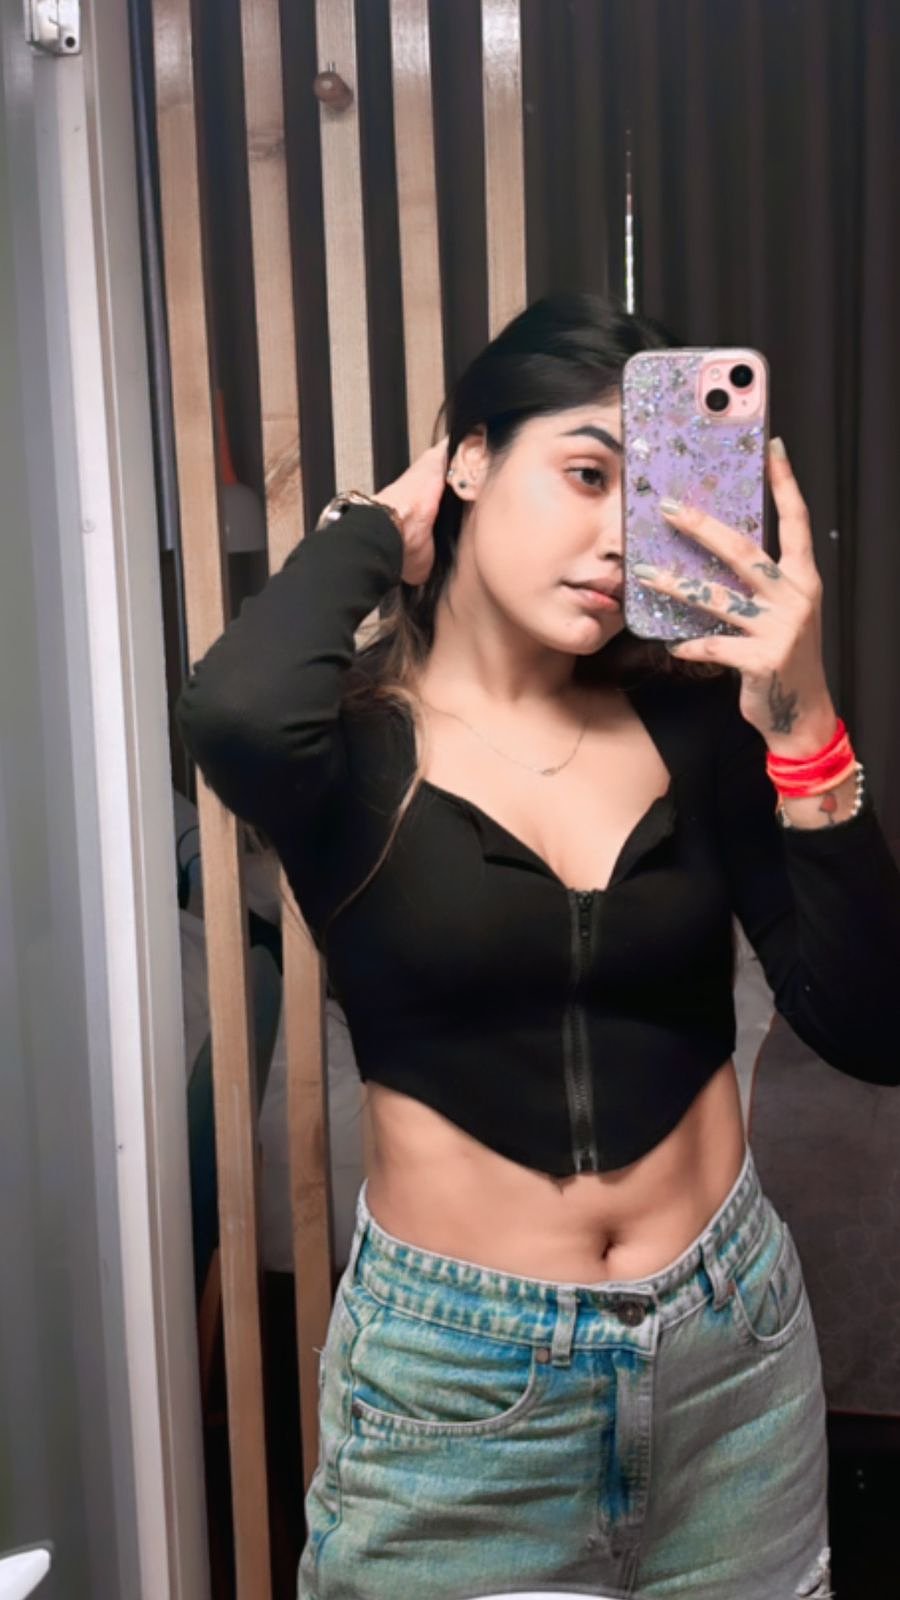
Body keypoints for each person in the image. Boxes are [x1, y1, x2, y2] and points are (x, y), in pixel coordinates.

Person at [176, 295, 900, 1600]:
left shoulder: (699, 724)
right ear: (470, 457)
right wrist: (377, 525)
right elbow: (233, 709)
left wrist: (803, 720)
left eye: (651, 492)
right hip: (459, 1391)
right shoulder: (349, 752)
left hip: (733, 1349)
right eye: (585, 473)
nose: (620, 535)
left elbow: (871, 1024)